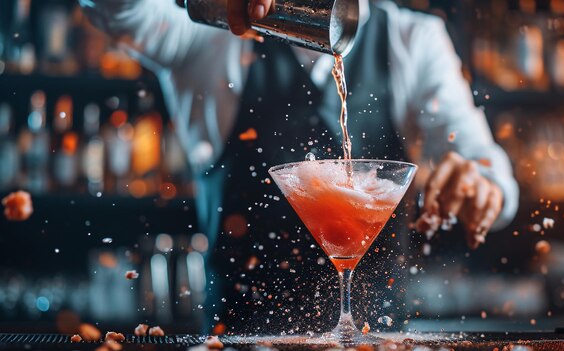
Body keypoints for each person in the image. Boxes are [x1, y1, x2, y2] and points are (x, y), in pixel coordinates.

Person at [80, 0, 519, 333]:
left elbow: (488, 169)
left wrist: (482, 185)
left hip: (379, 337)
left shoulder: (415, 39)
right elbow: (113, 11)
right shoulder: (211, 35)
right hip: (238, 335)